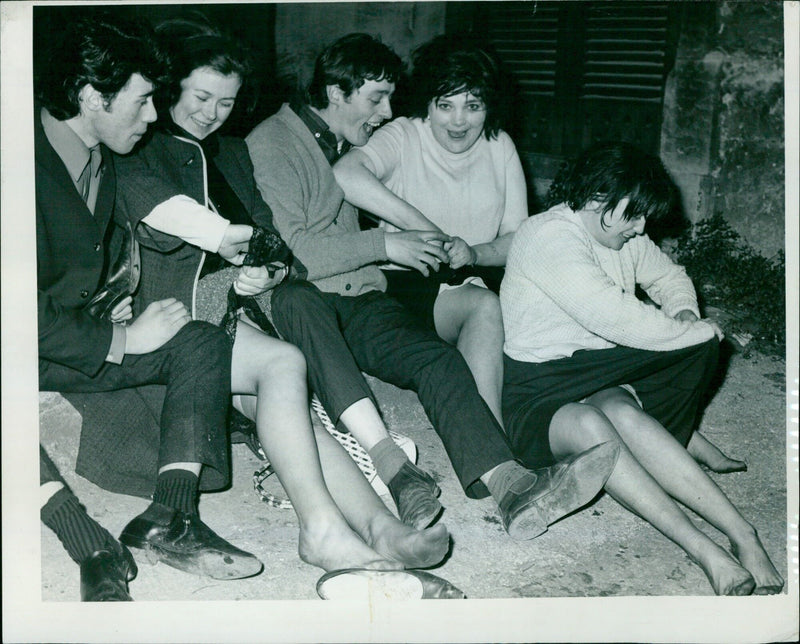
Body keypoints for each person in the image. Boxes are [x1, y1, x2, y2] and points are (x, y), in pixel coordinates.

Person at [246, 33, 619, 540]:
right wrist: (387, 244)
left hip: (360, 292)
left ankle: (509, 484)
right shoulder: (273, 140)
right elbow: (296, 252)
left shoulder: (342, 140)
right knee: (310, 303)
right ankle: (396, 470)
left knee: (437, 359)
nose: (387, 111)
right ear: (336, 92)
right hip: (304, 299)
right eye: (376, 98)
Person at [113, 17, 450, 575]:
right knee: (285, 363)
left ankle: (377, 526)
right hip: (176, 308)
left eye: (226, 102)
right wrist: (230, 255)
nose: (211, 113)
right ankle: (325, 529)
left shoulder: (232, 154)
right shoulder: (140, 148)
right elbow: (159, 222)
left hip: (246, 306)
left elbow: (272, 238)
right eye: (201, 97)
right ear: (171, 89)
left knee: (290, 409)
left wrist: (267, 271)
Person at [35, 13, 263, 602]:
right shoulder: (19, 161)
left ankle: (171, 516)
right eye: (141, 102)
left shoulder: (101, 158)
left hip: (67, 340)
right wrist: (121, 341)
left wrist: (117, 311)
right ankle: (88, 544)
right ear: (91, 97)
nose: (155, 116)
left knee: (202, 340)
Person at [499, 141, 784, 595]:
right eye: (633, 215)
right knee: (597, 421)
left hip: (599, 373)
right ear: (597, 199)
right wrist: (696, 334)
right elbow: (614, 316)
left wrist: (687, 315)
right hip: (539, 389)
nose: (641, 227)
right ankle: (705, 551)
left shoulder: (625, 235)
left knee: (629, 413)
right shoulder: (547, 236)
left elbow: (670, 277)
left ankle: (742, 532)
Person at [334, 35, 527, 428]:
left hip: (470, 278)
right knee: (484, 306)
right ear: (428, 103)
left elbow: (519, 239)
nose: (459, 121)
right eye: (446, 105)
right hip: (404, 283)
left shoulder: (499, 145)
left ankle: (502, 435)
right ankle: (493, 441)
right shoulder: (405, 134)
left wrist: (473, 253)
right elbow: (345, 175)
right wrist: (430, 233)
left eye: (473, 106)